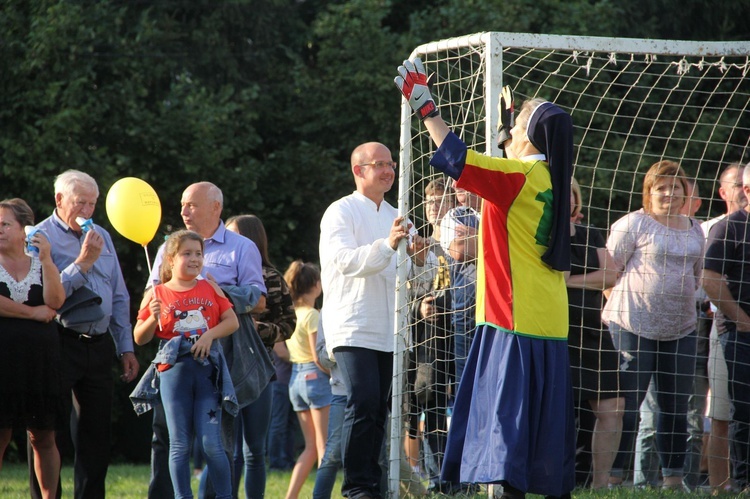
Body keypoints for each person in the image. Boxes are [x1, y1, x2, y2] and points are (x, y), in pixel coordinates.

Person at [396, 58, 575, 499]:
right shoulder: (551, 175)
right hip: (549, 319)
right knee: (542, 429)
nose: (509, 135)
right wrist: (506, 131)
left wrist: (427, 108)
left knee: (506, 432)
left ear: (530, 138)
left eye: (516, 130)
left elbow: (458, 160)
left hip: (510, 318)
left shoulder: (517, 175)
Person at [319, 140, 433, 499]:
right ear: (358, 171)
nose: (388, 170)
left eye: (391, 164)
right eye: (379, 164)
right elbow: (345, 261)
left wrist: (420, 258)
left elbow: (425, 280)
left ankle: (376, 485)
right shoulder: (340, 212)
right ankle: (357, 488)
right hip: (354, 326)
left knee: (382, 412)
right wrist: (387, 245)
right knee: (364, 402)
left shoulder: (399, 216)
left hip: (392, 331)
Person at [147, 182, 267, 499]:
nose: (184, 211)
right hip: (173, 355)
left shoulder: (241, 248)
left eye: (192, 205)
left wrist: (218, 292)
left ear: (216, 207)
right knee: (166, 436)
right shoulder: (167, 248)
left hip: (224, 354)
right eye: (183, 205)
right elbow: (151, 296)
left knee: (217, 438)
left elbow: (258, 300)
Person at [31, 169, 139, 499]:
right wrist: (82, 263)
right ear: (59, 200)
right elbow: (42, 296)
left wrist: (126, 347)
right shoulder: (38, 237)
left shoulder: (102, 235)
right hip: (58, 340)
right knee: (47, 431)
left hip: (99, 344)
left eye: (93, 204)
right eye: (81, 202)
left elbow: (118, 294)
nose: (88, 211)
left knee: (95, 436)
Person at [603, 160, 704, 490]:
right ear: (649, 191)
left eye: (676, 187)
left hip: (682, 330)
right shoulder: (633, 224)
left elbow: (697, 275)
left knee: (676, 407)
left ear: (685, 193)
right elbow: (608, 271)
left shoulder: (695, 228)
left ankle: (673, 478)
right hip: (632, 326)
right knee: (627, 407)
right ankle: (614, 477)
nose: (669, 193)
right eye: (661, 187)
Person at [132, 230, 239, 498]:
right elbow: (140, 337)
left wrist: (208, 335)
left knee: (211, 444)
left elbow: (232, 322)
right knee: (179, 444)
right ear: (170, 259)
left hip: (206, 373)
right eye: (187, 253)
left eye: (199, 254)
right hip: (174, 375)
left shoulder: (210, 288)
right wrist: (151, 318)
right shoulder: (157, 293)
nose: (194, 259)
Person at [224, 214, 296, 498]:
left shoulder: (272, 277)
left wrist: (258, 329)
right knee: (225, 450)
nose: (228, 243)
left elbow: (288, 326)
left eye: (235, 236)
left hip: (258, 371)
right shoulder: (216, 272)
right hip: (223, 369)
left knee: (254, 450)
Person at [0, 198, 65, 499]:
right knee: (1, 433)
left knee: (43, 436)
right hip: (3, 360)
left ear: (24, 229)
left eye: (5, 224)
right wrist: (32, 312)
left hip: (39, 360)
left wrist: (48, 259)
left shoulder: (40, 262)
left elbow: (55, 302)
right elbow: (39, 310)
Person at [564, 178, 623, 490]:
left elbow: (611, 275)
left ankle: (600, 486)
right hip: (556, 334)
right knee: (559, 415)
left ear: (577, 199)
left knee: (614, 409)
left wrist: (568, 280)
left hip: (594, 333)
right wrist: (590, 278)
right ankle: (554, 481)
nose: (567, 198)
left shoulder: (591, 234)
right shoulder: (542, 234)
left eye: (571, 193)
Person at [404, 177, 457, 492]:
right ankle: (436, 478)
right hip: (426, 342)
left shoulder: (463, 241)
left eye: (441, 200)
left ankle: (459, 475)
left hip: (459, 336)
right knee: (425, 408)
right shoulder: (415, 248)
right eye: (430, 201)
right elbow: (404, 295)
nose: (435, 207)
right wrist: (418, 308)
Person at [703, 162, 750, 493]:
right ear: (747, 191)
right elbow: (710, 279)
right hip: (738, 335)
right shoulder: (729, 228)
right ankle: (742, 483)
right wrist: (742, 320)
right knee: (742, 411)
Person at [282, 260, 330, 499]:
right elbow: (318, 355)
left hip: (296, 380)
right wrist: (334, 374)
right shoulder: (312, 315)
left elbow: (282, 351)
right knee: (324, 448)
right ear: (315, 285)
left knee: (309, 448)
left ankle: (290, 496)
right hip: (315, 378)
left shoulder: (293, 314)